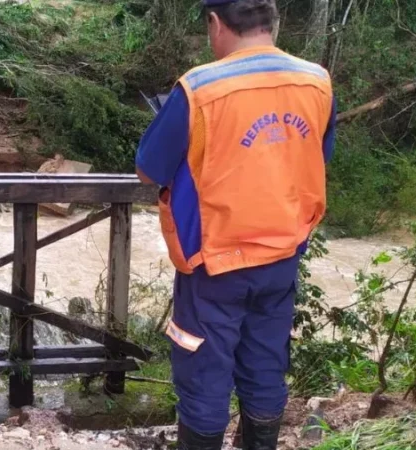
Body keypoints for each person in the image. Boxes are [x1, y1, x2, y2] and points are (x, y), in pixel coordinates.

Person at [134, 1, 337, 449]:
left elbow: (148, 169)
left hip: (215, 262)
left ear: (216, 22)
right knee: (265, 364)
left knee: (204, 372)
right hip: (282, 257)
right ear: (271, 23)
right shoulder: (317, 81)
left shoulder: (200, 88)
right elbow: (315, 156)